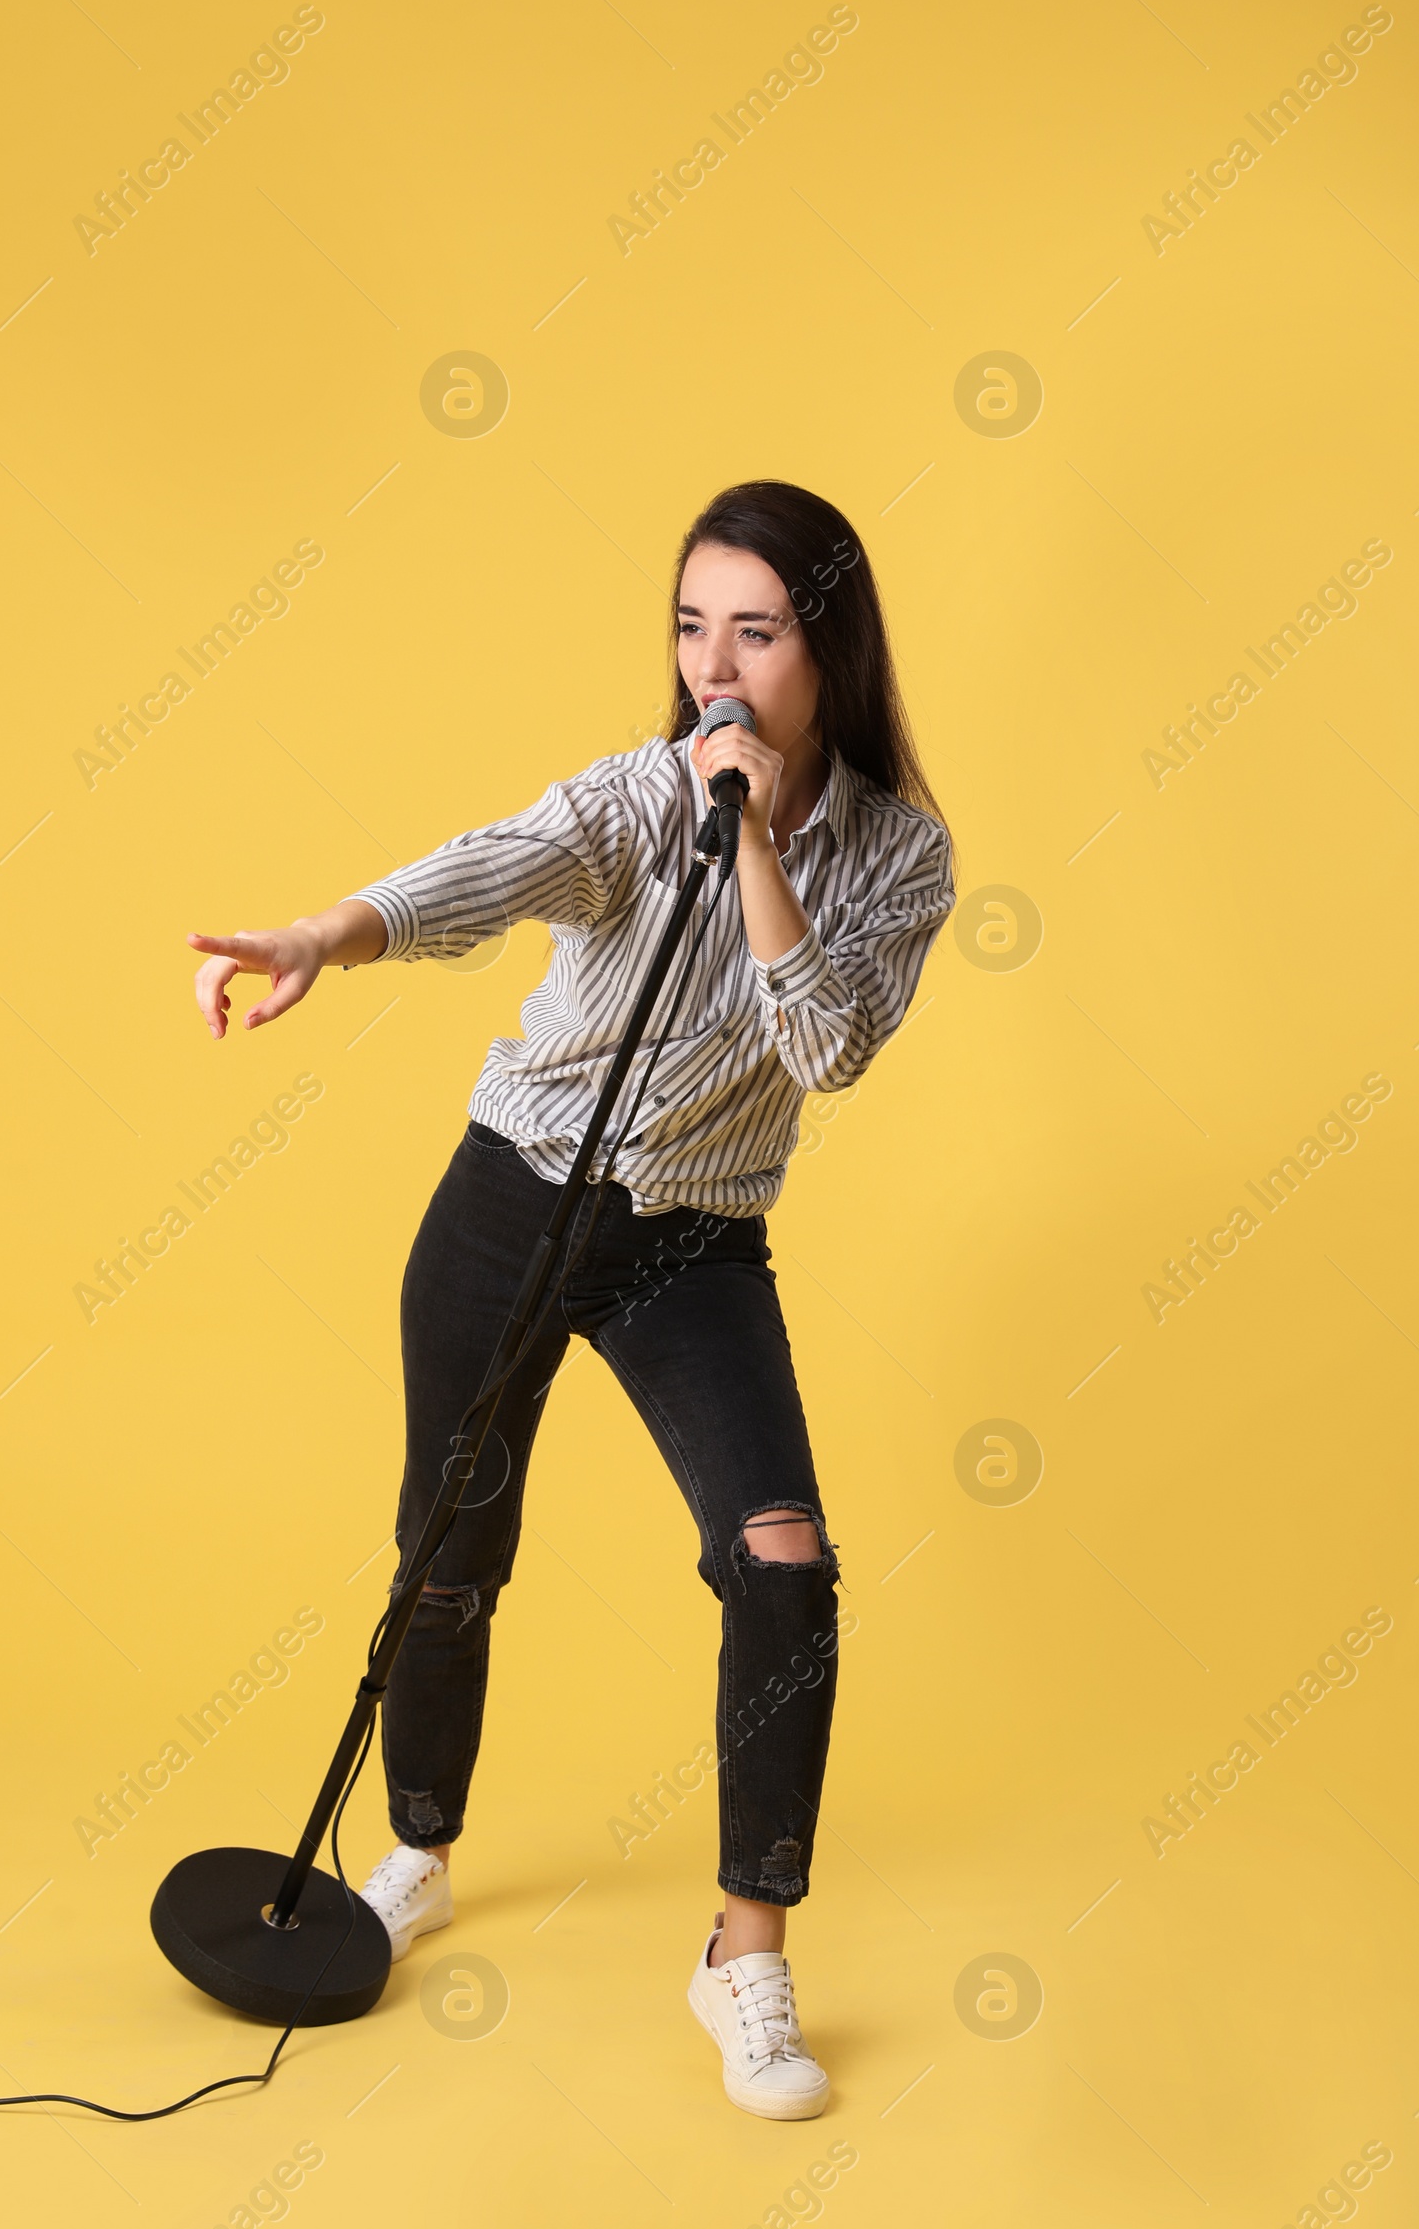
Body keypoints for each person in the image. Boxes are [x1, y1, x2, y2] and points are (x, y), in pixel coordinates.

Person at [188, 479, 955, 2120]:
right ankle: (419, 1849)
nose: (715, 670)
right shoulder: (635, 792)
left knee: (786, 1565)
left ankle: (743, 1951)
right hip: (510, 1199)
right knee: (450, 1538)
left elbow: (825, 1045)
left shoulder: (903, 853)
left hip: (697, 1242)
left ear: (831, 646)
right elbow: (494, 869)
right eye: (692, 629)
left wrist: (749, 835)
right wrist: (331, 929)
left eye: (755, 630)